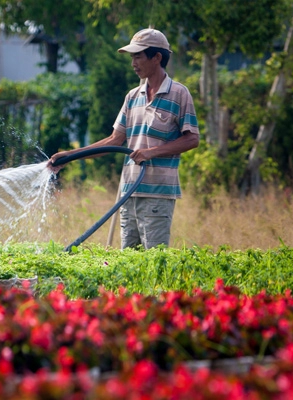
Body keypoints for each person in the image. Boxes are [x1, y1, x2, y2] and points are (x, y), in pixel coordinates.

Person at [47, 28, 199, 250]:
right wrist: (70, 156)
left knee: (152, 262)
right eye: (132, 57)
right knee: (128, 262)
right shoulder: (132, 96)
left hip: (157, 195)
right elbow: (115, 140)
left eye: (138, 56)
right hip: (128, 193)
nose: (133, 63)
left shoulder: (179, 94)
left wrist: (151, 152)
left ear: (157, 57)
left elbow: (192, 139)